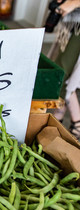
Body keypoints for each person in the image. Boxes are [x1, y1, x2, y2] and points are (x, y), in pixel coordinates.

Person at [52, 0, 80, 139]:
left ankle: (76, 122)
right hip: (71, 23)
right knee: (60, 72)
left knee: (62, 74)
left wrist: (75, 3)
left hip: (77, 25)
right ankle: (59, 115)